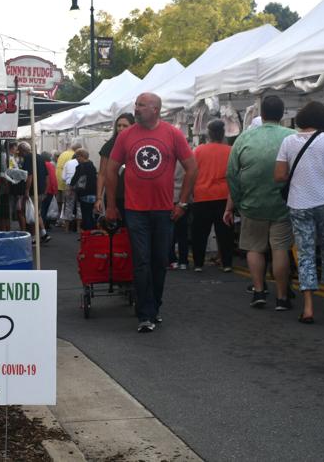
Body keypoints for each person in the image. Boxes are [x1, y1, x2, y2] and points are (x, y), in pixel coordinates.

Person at [105, 92, 197, 333]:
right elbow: (111, 170)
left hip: (163, 209)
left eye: (142, 105)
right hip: (135, 210)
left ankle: (154, 306)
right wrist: (111, 206)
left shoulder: (172, 134)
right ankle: (145, 313)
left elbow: (192, 167)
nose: (136, 108)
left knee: (159, 261)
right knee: (141, 261)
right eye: (136, 104)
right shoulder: (125, 136)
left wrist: (183, 203)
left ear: (155, 109)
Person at [274, 101, 324, 323]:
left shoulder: (288, 142)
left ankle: (307, 308)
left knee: (305, 253)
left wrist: (299, 178)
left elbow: (278, 175)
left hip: (299, 203)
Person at [225, 95, 294, 310]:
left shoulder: (244, 139)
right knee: (280, 249)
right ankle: (282, 297)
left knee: (254, 249)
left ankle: (258, 291)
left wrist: (238, 201)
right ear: (282, 114)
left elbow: (232, 175)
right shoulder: (292, 137)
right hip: (283, 204)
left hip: (252, 203)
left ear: (260, 114)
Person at [191, 120, 234, 273]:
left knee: (200, 232)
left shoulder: (198, 151)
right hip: (224, 195)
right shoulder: (230, 150)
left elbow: (192, 173)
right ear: (223, 134)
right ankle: (227, 263)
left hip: (202, 195)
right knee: (225, 232)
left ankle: (198, 263)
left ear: (208, 134)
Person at [95, 113, 134, 221]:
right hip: (114, 197)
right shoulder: (109, 146)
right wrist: (99, 198)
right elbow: (102, 174)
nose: (121, 128)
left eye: (125, 126)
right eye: (119, 125)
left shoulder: (137, 144)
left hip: (134, 196)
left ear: (133, 126)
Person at [17, 141, 51, 243]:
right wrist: (45, 189)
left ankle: (33, 238)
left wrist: (26, 191)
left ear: (23, 151)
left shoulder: (28, 158)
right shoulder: (39, 157)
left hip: (33, 190)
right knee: (37, 212)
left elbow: (29, 175)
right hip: (41, 189)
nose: (19, 153)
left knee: (30, 214)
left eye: (20, 151)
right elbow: (47, 175)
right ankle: (44, 233)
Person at [70, 148, 98, 230]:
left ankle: (87, 233)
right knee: (91, 214)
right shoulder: (92, 166)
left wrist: (71, 187)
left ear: (82, 156)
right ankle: (93, 232)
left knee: (86, 215)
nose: (77, 159)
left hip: (84, 193)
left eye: (77, 157)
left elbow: (74, 180)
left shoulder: (80, 167)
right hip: (93, 193)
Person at [56, 139, 82, 228]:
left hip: (67, 185)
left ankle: (66, 227)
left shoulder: (63, 155)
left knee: (68, 206)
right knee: (79, 206)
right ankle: (78, 227)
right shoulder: (81, 161)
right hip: (79, 187)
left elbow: (63, 176)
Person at [41, 151, 58, 229]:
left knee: (43, 209)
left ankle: (43, 226)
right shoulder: (50, 165)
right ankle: (45, 225)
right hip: (50, 190)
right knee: (46, 208)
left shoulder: (43, 165)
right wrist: (55, 189)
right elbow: (53, 178)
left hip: (45, 190)